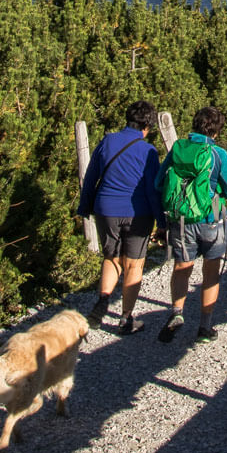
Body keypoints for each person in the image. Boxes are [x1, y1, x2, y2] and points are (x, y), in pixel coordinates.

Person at [155, 107, 227, 344]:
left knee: (182, 266)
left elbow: (158, 183)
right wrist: (217, 190)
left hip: (180, 221)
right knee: (210, 273)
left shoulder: (177, 149)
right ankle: (205, 326)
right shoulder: (218, 154)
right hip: (210, 221)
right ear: (217, 130)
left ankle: (176, 313)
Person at [78, 100, 165, 334]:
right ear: (147, 126)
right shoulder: (147, 150)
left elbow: (90, 177)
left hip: (106, 209)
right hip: (138, 212)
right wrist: (162, 223)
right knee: (133, 264)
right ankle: (126, 319)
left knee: (111, 257)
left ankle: (103, 299)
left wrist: (84, 206)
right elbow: (152, 191)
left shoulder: (107, 141)